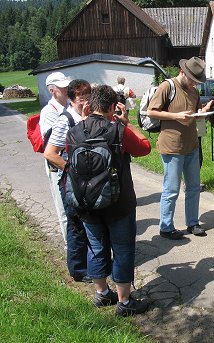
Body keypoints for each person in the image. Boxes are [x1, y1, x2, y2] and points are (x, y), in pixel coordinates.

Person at [78, 84, 151, 316]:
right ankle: (125, 301)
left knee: (96, 247)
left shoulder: (76, 130)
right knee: (122, 249)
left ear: (90, 105)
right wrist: (127, 123)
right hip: (118, 202)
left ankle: (101, 293)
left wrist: (83, 120)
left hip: (85, 202)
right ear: (112, 107)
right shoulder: (117, 130)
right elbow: (145, 148)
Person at [147, 57, 210, 240]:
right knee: (171, 189)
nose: (193, 84)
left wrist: (203, 112)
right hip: (172, 147)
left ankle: (192, 223)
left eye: (196, 82)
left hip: (191, 145)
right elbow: (151, 111)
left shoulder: (193, 91)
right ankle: (166, 227)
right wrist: (176, 116)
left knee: (193, 187)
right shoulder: (168, 86)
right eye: (192, 80)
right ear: (183, 72)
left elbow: (195, 112)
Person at [44, 79, 92, 282]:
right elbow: (50, 153)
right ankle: (78, 270)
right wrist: (72, 170)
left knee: (88, 222)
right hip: (71, 182)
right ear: (71, 99)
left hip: (87, 182)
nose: (86, 101)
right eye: (81, 98)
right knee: (76, 224)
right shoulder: (66, 120)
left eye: (89, 96)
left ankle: (91, 265)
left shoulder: (86, 117)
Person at [40, 72, 71, 247]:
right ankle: (70, 247)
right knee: (64, 208)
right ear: (52, 90)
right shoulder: (49, 113)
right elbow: (53, 144)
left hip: (70, 161)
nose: (66, 89)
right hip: (57, 165)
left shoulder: (68, 106)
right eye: (62, 87)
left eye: (66, 86)